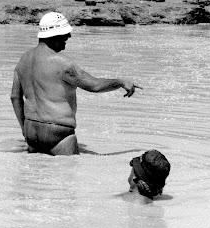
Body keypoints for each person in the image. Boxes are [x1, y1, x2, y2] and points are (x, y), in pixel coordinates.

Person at [11, 12, 142, 155]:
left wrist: (25, 128)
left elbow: (15, 97)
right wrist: (121, 82)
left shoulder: (23, 60)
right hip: (59, 133)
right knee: (68, 175)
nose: (69, 37)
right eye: (65, 33)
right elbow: (94, 85)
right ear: (54, 35)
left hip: (31, 132)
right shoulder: (63, 64)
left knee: (37, 175)